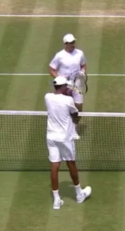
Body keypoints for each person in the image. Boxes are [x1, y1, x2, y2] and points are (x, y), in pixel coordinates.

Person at [45, 76, 91, 210]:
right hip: (65, 138)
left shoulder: (47, 97)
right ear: (63, 87)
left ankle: (56, 200)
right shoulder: (69, 100)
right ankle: (79, 194)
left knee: (55, 165)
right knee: (71, 164)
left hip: (51, 137)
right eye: (67, 86)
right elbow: (76, 114)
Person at [49, 33, 87, 140]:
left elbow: (83, 64)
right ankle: (63, 128)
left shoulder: (79, 53)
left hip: (77, 84)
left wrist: (83, 71)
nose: (73, 44)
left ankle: (74, 128)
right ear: (65, 44)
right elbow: (51, 69)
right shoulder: (59, 55)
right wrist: (60, 79)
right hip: (64, 85)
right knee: (63, 107)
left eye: (73, 42)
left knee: (78, 107)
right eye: (71, 43)